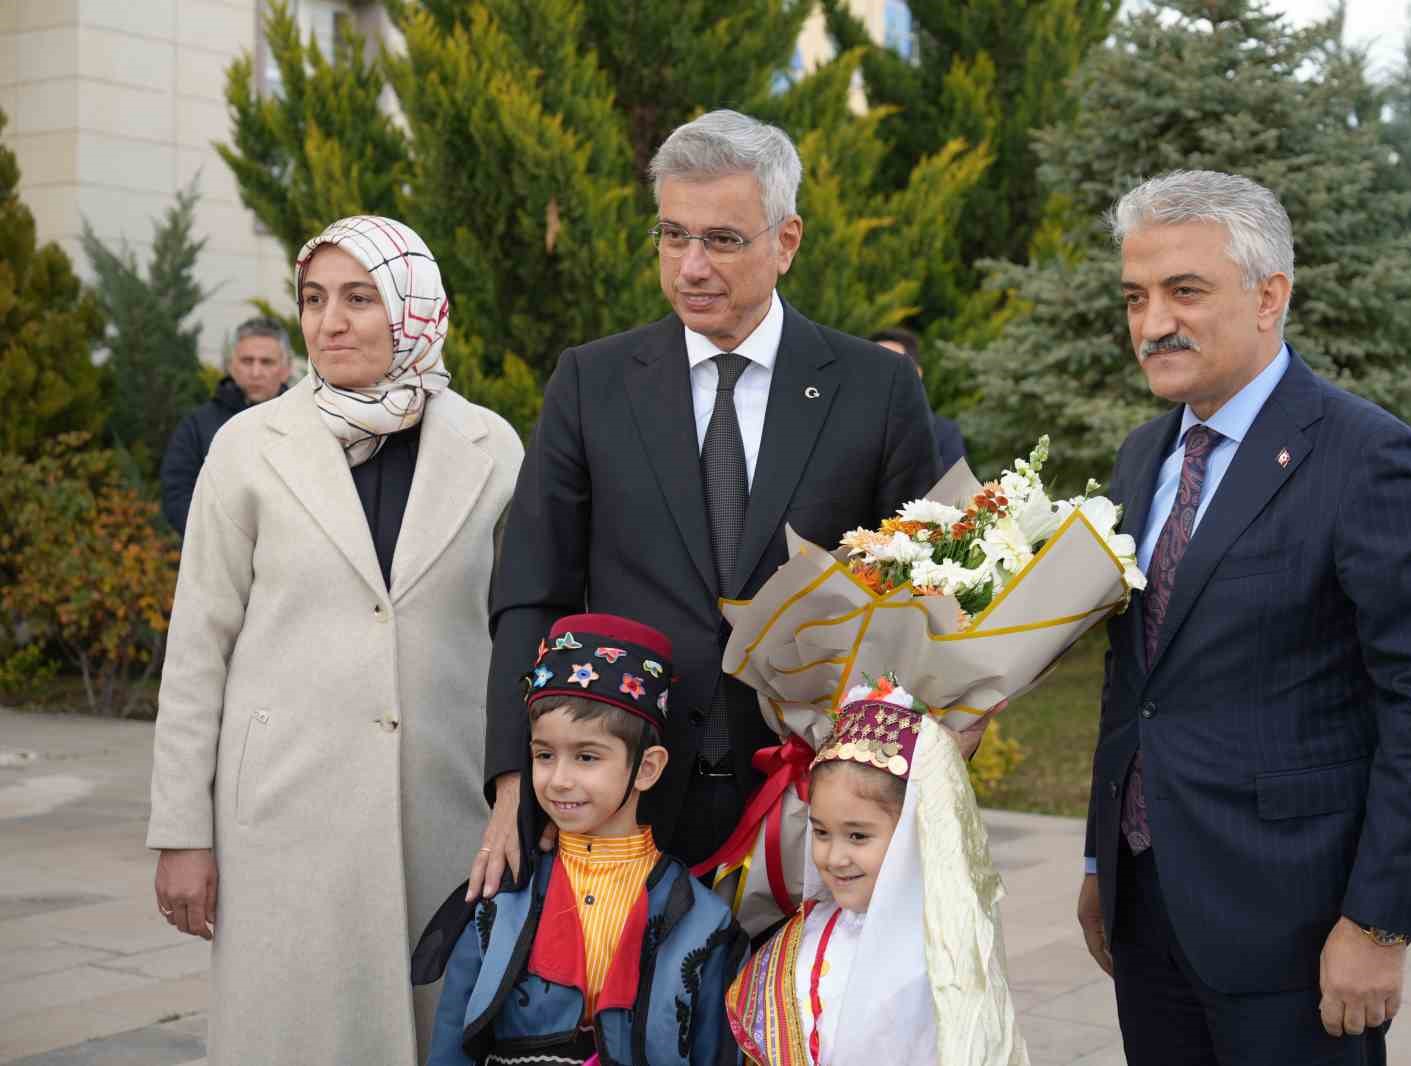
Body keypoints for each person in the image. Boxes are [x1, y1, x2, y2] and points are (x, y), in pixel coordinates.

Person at [475, 109, 940, 897]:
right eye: (671, 235)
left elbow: (920, 604)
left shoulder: (878, 390)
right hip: (627, 804)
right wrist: (514, 781)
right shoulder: (591, 383)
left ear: (786, 242)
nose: (691, 266)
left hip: (815, 810)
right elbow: (532, 592)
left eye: (722, 239)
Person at [1076, 171, 1411, 1065]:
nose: (1151, 324)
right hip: (1148, 912)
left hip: (1298, 932)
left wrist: (1379, 923)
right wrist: (1104, 863)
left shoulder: (1369, 457)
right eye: (1135, 297)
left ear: (1270, 297)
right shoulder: (1144, 457)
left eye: (1185, 291)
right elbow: (1135, 677)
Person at [146, 215, 525, 1064]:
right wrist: (180, 830)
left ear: (415, 308)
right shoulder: (248, 446)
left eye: (360, 299)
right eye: (315, 300)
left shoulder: (491, 447)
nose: (331, 322)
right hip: (283, 814)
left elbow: (517, 632)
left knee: (440, 1030)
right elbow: (198, 646)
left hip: (446, 811)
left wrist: (516, 796)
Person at [417, 614, 745, 1066]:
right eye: (544, 755)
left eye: (587, 757)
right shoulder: (499, 904)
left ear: (647, 768)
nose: (558, 780)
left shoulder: (705, 923)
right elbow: (451, 1049)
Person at [725, 679, 1027, 1066]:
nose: (835, 857)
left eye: (857, 835)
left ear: (912, 833)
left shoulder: (942, 957)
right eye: (821, 832)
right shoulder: (804, 937)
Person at [159, 316, 293, 534]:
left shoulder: (305, 424)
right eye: (247, 361)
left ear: (286, 369)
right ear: (231, 365)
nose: (256, 372)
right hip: (216, 557)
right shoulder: (197, 427)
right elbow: (177, 496)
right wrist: (221, 540)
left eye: (266, 362)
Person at [869, 327, 966, 476]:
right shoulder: (846, 426)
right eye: (874, 364)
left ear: (917, 373)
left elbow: (954, 495)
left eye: (891, 363)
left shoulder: (944, 433)